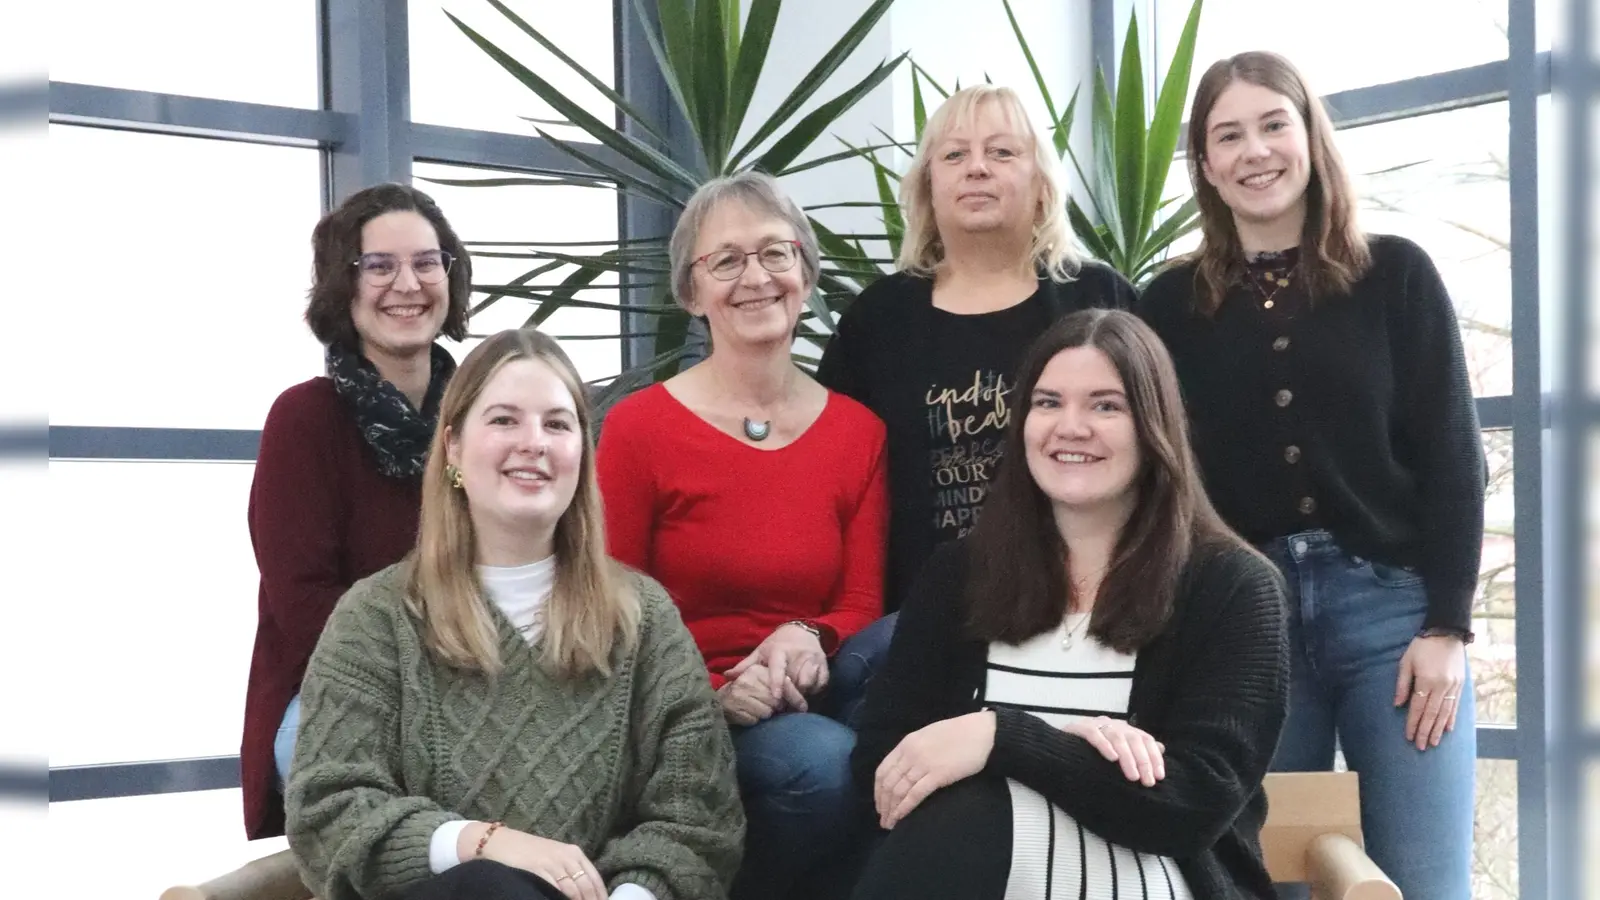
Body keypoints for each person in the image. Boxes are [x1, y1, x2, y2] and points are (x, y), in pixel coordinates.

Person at [1136, 51, 1486, 899]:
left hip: (1395, 625)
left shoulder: (1394, 274)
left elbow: (1453, 455)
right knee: (1266, 879)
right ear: (1207, 166)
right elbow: (1160, 480)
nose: (1255, 150)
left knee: (1424, 881)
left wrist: (1449, 627)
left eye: (1272, 124)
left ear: (1309, 137)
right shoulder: (1168, 306)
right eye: (1229, 135)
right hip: (1248, 622)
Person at [285, 329, 744, 900]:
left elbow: (695, 820)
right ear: (452, 447)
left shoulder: (643, 618)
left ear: (582, 452)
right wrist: (482, 842)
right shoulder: (376, 618)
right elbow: (327, 812)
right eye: (504, 420)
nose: (534, 442)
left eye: (557, 424)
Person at [849, 309, 1288, 900]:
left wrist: (1001, 739)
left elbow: (1191, 806)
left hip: (1158, 877)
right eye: (1048, 402)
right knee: (966, 820)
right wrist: (1072, 748)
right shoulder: (959, 573)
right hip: (983, 870)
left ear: (1153, 425)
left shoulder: (1232, 585)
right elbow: (884, 768)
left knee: (970, 814)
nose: (1070, 427)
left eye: (1106, 405)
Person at [596, 171, 888, 900]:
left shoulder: (860, 430)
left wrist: (808, 634)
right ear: (691, 293)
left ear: (807, 275)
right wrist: (715, 694)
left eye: (775, 254)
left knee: (912, 639)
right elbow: (610, 611)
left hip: (822, 684)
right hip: (691, 709)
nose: (755, 277)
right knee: (826, 765)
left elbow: (860, 601)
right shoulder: (639, 428)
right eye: (726, 260)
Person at [817, 84, 1138, 616]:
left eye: (1002, 152)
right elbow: (837, 479)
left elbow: (1160, 446)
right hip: (923, 614)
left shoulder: (1097, 298)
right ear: (928, 187)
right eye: (954, 154)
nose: (977, 168)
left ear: (1041, 183)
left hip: (1088, 605)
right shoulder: (879, 319)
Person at [241, 182, 470, 839]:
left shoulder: (485, 414)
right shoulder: (304, 419)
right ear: (345, 286)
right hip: (336, 695)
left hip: (482, 687)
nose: (408, 283)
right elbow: (306, 603)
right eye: (380, 265)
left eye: (428, 262)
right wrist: (436, 678)